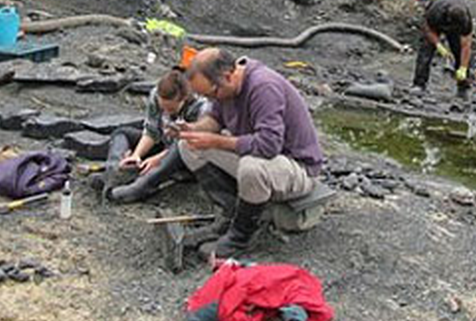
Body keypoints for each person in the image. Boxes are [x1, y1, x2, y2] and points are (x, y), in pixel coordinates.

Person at [177, 48, 325, 259]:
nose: (211, 99)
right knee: (190, 146)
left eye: (211, 94)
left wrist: (217, 141)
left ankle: (241, 237)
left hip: (298, 167)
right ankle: (229, 215)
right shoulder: (225, 87)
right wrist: (192, 130)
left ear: (227, 76)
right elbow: (215, 120)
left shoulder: (263, 87)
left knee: (252, 167)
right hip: (265, 158)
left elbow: (268, 145)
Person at [97, 68, 209, 203]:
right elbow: (152, 131)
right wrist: (136, 155)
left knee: (180, 147)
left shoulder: (199, 106)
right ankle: (114, 171)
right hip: (164, 142)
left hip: (185, 153)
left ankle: (140, 187)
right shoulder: (156, 94)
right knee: (122, 133)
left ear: (183, 99)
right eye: (163, 108)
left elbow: (187, 143)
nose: (166, 112)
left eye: (171, 109)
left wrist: (158, 159)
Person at [412, 0, 474, 98]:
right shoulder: (436, 12)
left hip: (454, 26)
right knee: (425, 51)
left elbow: (466, 45)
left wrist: (463, 68)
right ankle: (419, 84)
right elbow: (428, 29)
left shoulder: (465, 21)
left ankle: (463, 86)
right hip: (436, 24)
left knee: (458, 51)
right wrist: (438, 45)